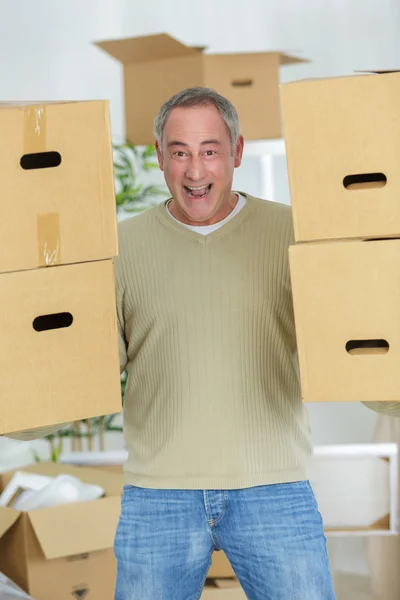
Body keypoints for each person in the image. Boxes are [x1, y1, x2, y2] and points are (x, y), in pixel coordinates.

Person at [6, 87, 400, 600]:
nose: (195, 171)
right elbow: (84, 365)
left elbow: (353, 341)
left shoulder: (299, 238)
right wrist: (21, 408)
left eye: (210, 150)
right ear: (158, 155)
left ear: (236, 152)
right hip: (159, 495)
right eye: (180, 151)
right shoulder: (117, 250)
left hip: (273, 487)